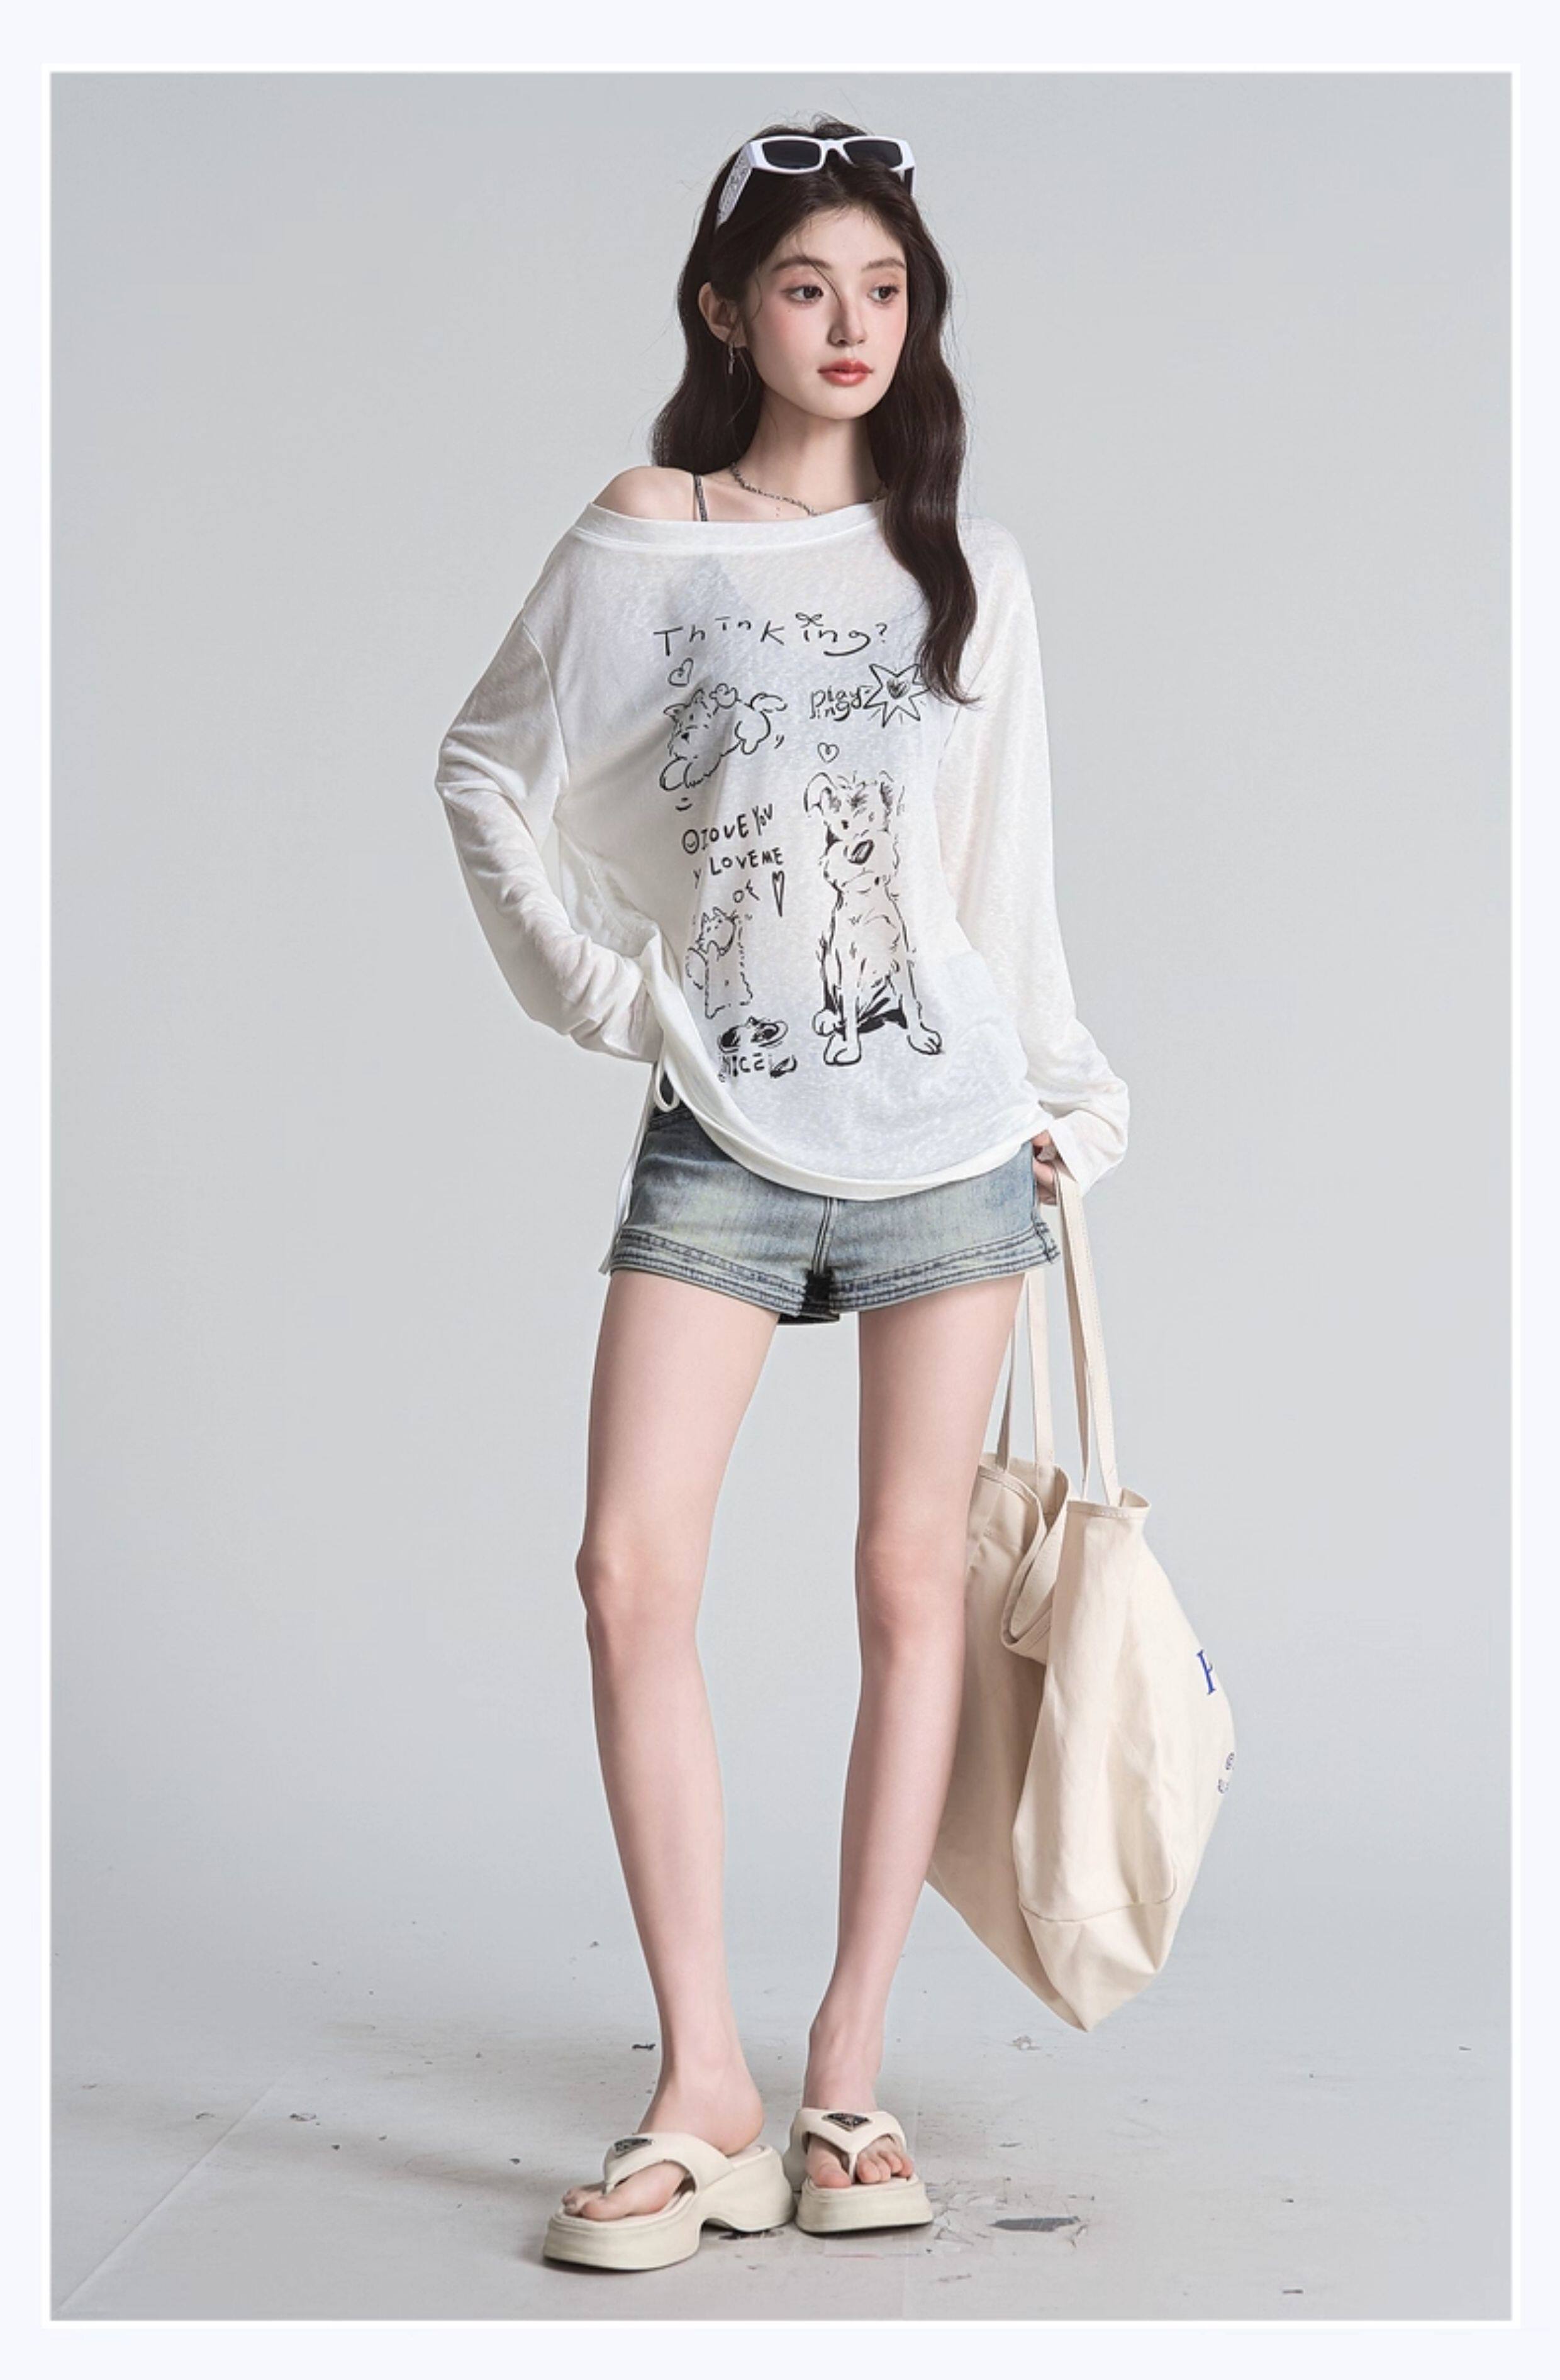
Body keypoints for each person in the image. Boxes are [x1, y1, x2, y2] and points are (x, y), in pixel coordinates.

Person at [434, 118, 1130, 2271]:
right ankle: (701, 2088)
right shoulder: (652, 534)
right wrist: (611, 998)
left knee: (913, 1589)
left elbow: (998, 884)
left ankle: (844, 2073)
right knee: (629, 1572)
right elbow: (484, 769)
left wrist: (1065, 1100)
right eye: (810, 285)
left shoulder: (966, 565)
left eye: (886, 290)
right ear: (726, 309)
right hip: (727, 1132)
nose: (853, 326)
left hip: (947, 1137)